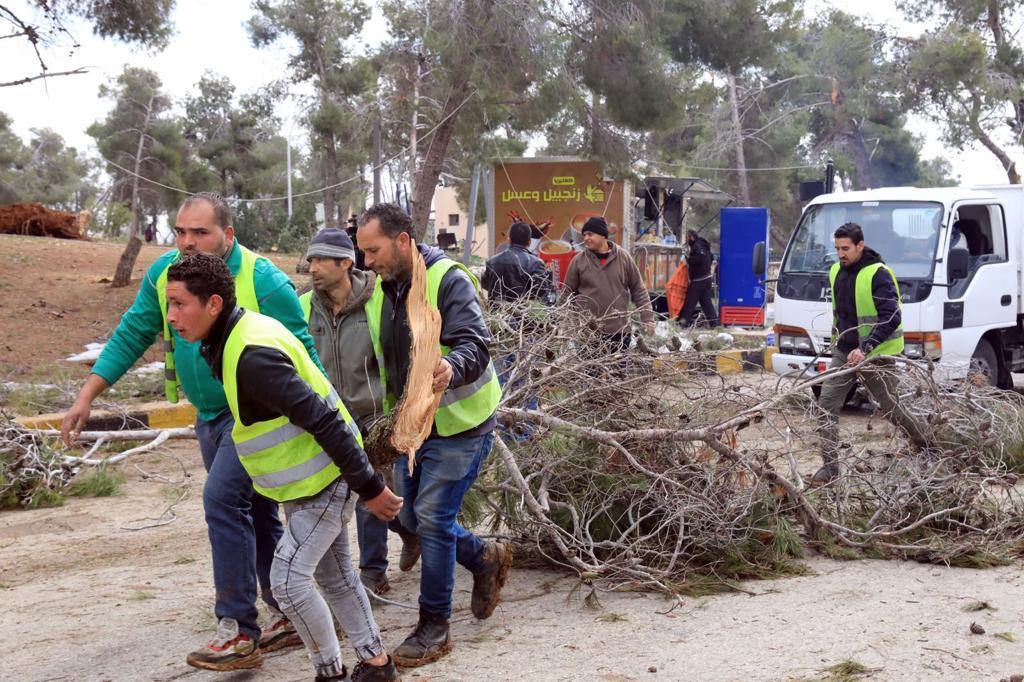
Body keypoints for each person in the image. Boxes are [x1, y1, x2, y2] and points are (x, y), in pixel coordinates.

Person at [60, 192, 313, 670]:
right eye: (180, 232)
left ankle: (238, 631)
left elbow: (306, 357)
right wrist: (87, 395)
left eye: (200, 233)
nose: (187, 243)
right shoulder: (165, 275)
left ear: (228, 235)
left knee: (222, 503)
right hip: (209, 417)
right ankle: (288, 610)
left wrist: (330, 428)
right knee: (256, 513)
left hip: (257, 418)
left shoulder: (264, 281)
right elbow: (134, 331)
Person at [165, 253, 402, 682]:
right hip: (307, 480)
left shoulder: (251, 355)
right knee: (337, 578)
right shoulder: (236, 333)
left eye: (180, 304)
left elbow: (323, 419)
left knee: (289, 582)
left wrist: (370, 487)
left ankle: (329, 672)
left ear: (213, 304)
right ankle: (377, 665)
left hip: (327, 478)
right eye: (170, 304)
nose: (172, 316)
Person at [356, 202, 512, 668]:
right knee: (410, 517)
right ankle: (485, 557)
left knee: (432, 517)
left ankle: (434, 627)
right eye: (362, 252)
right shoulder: (387, 287)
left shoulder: (448, 279)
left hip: (462, 421)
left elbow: (476, 344)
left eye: (373, 250)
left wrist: (451, 366)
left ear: (402, 241)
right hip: (414, 426)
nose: (367, 261)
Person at [299, 228, 421, 597]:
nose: (313, 267)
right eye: (311, 260)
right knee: (348, 495)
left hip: (374, 416)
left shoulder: (378, 301)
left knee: (372, 492)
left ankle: (372, 573)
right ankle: (407, 532)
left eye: (321, 260)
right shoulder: (303, 306)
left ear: (346, 263)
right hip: (328, 420)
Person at [814, 222, 930, 484]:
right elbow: (842, 313)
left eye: (846, 248)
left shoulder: (878, 274)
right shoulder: (836, 271)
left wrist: (866, 347)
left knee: (891, 408)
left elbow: (892, 316)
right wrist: (840, 344)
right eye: (837, 249)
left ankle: (927, 446)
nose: (841, 254)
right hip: (845, 353)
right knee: (826, 405)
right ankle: (831, 468)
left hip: (877, 354)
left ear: (860, 245)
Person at [560, 215, 655, 353]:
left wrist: (648, 318)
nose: (586, 238)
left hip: (619, 331)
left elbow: (638, 289)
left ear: (603, 235)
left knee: (617, 372)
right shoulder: (578, 261)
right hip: (588, 332)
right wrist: (561, 322)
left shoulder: (623, 257)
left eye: (590, 234)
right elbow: (567, 293)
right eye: (584, 234)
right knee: (591, 373)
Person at [481, 221, 552, 303]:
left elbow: (487, 285)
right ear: (529, 242)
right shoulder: (535, 263)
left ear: (509, 240)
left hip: (496, 313)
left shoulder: (492, 262)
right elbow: (543, 297)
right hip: (524, 314)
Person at [676, 229, 718, 328]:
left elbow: (699, 257)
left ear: (691, 237)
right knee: (706, 302)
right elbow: (711, 257)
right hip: (706, 278)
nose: (687, 241)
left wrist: (688, 260)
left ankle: (683, 323)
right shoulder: (704, 246)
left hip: (699, 280)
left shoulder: (697, 246)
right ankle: (714, 323)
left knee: (690, 302)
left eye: (687, 238)